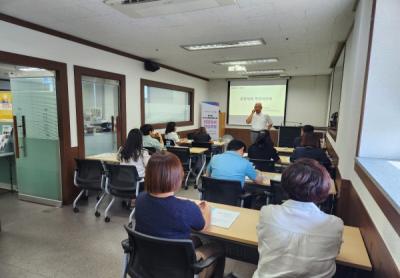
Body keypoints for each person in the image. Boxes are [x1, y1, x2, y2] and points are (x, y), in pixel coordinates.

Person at [135, 151, 225, 278]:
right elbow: (203, 226)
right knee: (218, 247)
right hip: (177, 271)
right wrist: (207, 209)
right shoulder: (187, 209)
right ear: (178, 179)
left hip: (145, 262)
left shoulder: (140, 199)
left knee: (197, 240)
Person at [253, 159, 343, 278]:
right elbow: (335, 253)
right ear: (323, 188)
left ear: (285, 184)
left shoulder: (268, 213)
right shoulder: (335, 224)